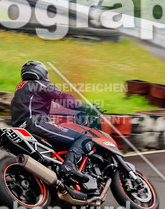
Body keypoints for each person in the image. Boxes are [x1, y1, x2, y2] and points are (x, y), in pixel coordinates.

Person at [9, 60, 99, 188]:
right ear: (42, 72)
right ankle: (69, 165)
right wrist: (86, 107)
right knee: (83, 138)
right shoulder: (40, 84)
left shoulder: (20, 89)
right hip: (36, 124)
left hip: (20, 128)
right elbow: (62, 98)